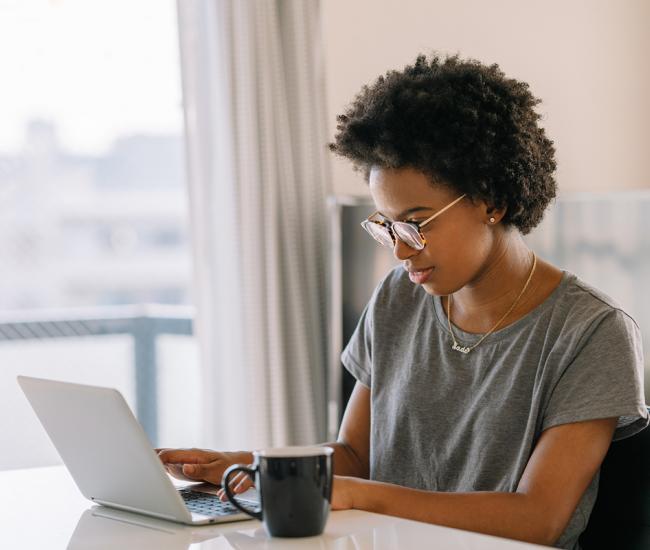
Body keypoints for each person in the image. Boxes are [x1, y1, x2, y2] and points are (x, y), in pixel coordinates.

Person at [157, 54, 648, 549]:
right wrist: (248, 466)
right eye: (387, 225)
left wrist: (356, 496)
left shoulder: (591, 330)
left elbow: (538, 518)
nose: (399, 248)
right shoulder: (398, 295)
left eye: (416, 222)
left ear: (491, 200)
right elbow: (354, 455)